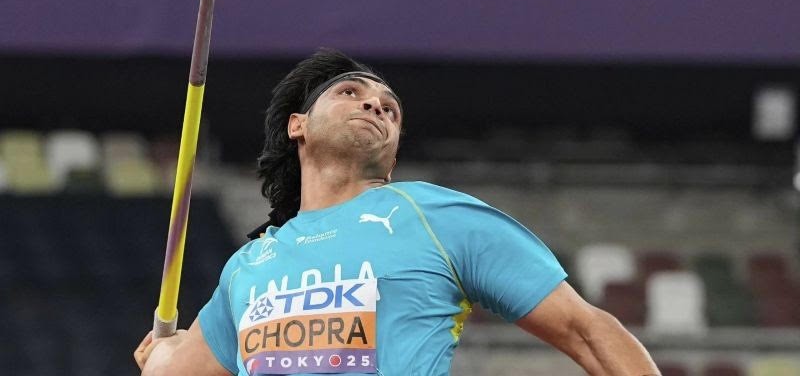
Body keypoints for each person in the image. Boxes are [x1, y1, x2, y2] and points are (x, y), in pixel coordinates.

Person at [135, 49, 659, 375]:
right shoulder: (248, 267)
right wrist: (161, 357)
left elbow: (587, 331)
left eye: (389, 109)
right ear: (298, 125)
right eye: (350, 92)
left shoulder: (438, 216)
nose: (375, 106)